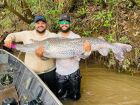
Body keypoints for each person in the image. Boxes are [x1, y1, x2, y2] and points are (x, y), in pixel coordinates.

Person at [36, 14, 91, 100]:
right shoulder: (54, 38)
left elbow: (83, 57)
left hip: (74, 72)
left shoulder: (76, 37)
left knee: (76, 97)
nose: (64, 24)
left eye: (66, 22)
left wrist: (87, 51)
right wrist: (41, 55)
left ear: (69, 24)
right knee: (62, 98)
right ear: (59, 23)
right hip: (60, 74)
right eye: (62, 22)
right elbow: (48, 57)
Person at [4, 15, 57, 93]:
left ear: (46, 24)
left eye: (42, 23)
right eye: (38, 23)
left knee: (54, 92)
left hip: (50, 71)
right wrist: (8, 39)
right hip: (32, 72)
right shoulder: (26, 34)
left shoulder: (53, 36)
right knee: (33, 93)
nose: (40, 25)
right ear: (35, 25)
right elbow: (13, 35)